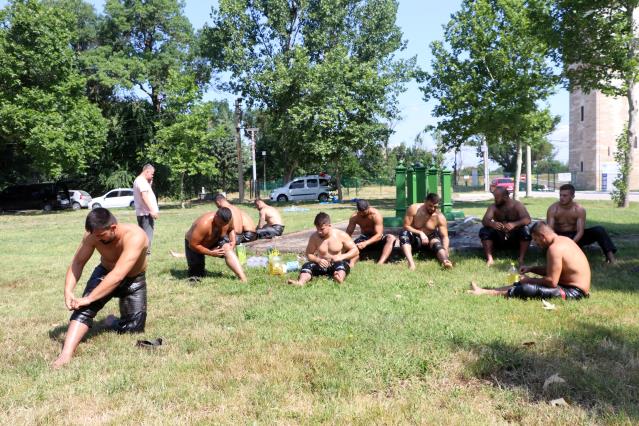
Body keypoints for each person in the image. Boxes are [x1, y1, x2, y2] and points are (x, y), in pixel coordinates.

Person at [52, 208, 149, 368]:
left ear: (113, 228)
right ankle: (66, 354)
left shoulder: (136, 236)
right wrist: (68, 291)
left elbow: (118, 274)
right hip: (104, 273)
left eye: (101, 236)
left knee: (133, 329)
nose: (97, 239)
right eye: (94, 235)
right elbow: (78, 262)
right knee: (84, 308)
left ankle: (111, 321)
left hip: (133, 279)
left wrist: (89, 297)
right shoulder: (93, 236)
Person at [469, 221, 590, 300]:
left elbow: (552, 282)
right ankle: (485, 290)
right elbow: (554, 270)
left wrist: (529, 279)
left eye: (536, 240)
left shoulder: (555, 249)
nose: (537, 244)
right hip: (567, 285)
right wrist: (531, 269)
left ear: (543, 237)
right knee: (525, 283)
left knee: (527, 288)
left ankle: (486, 293)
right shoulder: (563, 240)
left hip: (574, 292)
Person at [547, 184, 617, 264]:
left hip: (575, 237)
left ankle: (611, 260)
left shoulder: (579, 209)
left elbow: (580, 231)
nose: (561, 198)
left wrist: (571, 243)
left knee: (599, 230)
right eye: (560, 195)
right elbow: (550, 231)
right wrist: (558, 241)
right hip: (559, 236)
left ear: (572, 196)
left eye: (565, 195)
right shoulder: (553, 209)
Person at [287, 212, 358, 286]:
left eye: (322, 229)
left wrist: (341, 257)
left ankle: (339, 278)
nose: (319, 232)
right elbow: (309, 254)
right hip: (321, 266)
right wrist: (318, 260)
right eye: (317, 229)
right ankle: (301, 282)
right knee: (307, 265)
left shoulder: (341, 235)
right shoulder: (314, 237)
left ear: (329, 226)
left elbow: (355, 250)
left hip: (337, 264)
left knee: (342, 264)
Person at [183, 207, 246, 282]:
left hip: (215, 239)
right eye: (220, 223)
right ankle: (198, 271)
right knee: (196, 276)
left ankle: (242, 278)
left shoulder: (228, 219)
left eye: (224, 224)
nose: (222, 226)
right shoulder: (204, 224)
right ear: (216, 216)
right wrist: (211, 253)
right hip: (195, 245)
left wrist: (233, 241)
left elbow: (231, 229)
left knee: (227, 249)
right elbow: (193, 245)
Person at [398, 193, 453, 270]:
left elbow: (445, 237)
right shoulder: (414, 208)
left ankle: (445, 261)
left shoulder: (440, 217)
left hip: (430, 238)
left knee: (437, 243)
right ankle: (411, 264)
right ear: (425, 202)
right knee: (404, 235)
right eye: (430, 205)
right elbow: (406, 226)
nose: (432, 208)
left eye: (435, 207)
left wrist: (446, 250)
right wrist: (420, 233)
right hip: (414, 238)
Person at [479, 187, 532, 266]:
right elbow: (485, 221)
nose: (495, 199)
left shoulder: (517, 205)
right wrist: (492, 224)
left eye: (497, 198)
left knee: (526, 230)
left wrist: (514, 224)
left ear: (505, 196)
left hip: (515, 238)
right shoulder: (493, 207)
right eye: (494, 197)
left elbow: (527, 219)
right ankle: (490, 259)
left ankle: (521, 258)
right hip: (499, 238)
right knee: (484, 231)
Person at [345, 199, 396, 266]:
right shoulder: (354, 217)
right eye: (360, 212)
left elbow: (379, 235)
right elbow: (348, 233)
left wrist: (366, 243)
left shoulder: (375, 215)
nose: (362, 213)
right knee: (352, 248)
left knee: (391, 238)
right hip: (364, 238)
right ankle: (351, 264)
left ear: (368, 207)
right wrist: (346, 245)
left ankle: (380, 263)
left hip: (377, 240)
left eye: (364, 211)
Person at [133, 164, 159, 255]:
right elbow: (144, 197)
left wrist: (150, 183)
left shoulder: (142, 181)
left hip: (143, 212)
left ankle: (142, 252)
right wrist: (152, 210)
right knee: (147, 234)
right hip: (146, 213)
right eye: (152, 174)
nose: (152, 176)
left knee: (143, 234)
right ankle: (145, 252)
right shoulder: (141, 181)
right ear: (146, 171)